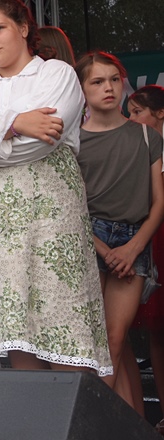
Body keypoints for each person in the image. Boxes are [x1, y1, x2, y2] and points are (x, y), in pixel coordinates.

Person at [0, 0, 111, 375]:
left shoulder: (56, 74)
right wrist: (15, 124)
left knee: (62, 318)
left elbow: (43, 140)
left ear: (23, 27)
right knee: (16, 330)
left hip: (49, 213)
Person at [75, 55, 164, 411]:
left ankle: (91, 420)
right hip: (90, 237)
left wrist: (132, 248)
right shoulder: (74, 141)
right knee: (91, 340)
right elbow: (72, 206)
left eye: (114, 79)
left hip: (134, 239)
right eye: (97, 82)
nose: (108, 88)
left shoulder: (145, 134)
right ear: (81, 89)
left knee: (114, 337)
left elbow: (159, 202)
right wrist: (102, 248)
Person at [126, 84, 164, 427]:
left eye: (138, 112)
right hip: (153, 241)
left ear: (160, 113)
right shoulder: (138, 148)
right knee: (157, 330)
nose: (131, 119)